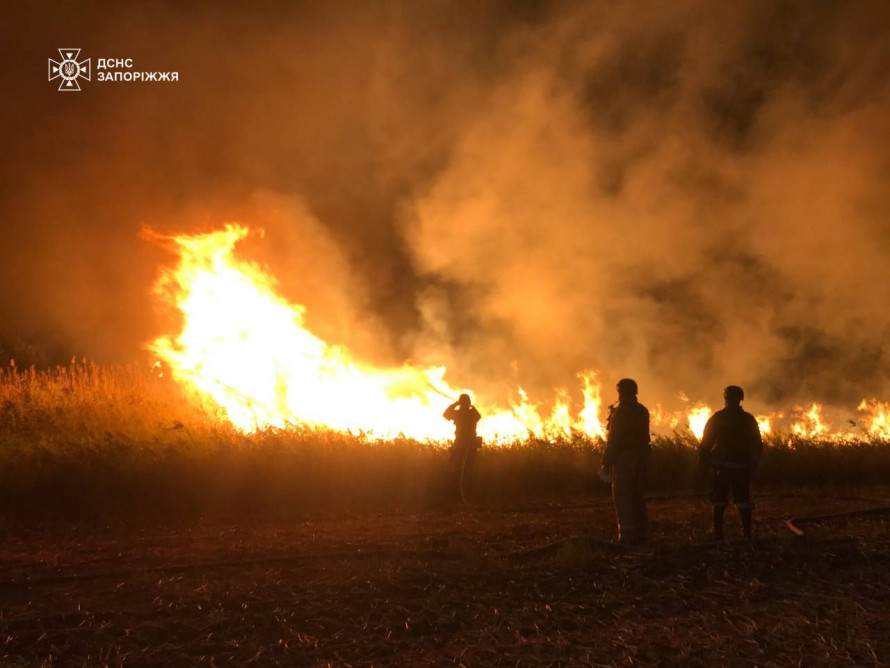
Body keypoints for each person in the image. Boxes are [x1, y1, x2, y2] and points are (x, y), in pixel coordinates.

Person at [698, 385, 763, 540]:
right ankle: (746, 532)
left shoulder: (718, 418)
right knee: (743, 499)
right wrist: (754, 462)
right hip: (741, 466)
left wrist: (703, 459)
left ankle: (717, 531)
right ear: (741, 399)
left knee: (719, 499)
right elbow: (757, 443)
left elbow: (707, 441)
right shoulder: (748, 419)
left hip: (720, 466)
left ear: (725, 398)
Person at [601, 378, 651, 545]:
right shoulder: (642, 411)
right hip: (642, 458)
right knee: (638, 495)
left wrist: (606, 461)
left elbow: (614, 440)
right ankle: (642, 533)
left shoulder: (620, 413)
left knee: (623, 496)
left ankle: (627, 538)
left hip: (624, 459)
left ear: (621, 392)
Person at [443, 393, 482, 503]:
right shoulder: (472, 414)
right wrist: (472, 407)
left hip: (460, 444)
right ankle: (465, 494)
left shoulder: (458, 414)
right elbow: (478, 416)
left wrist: (454, 404)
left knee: (458, 470)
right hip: (470, 444)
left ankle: (459, 495)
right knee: (467, 470)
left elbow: (445, 415)